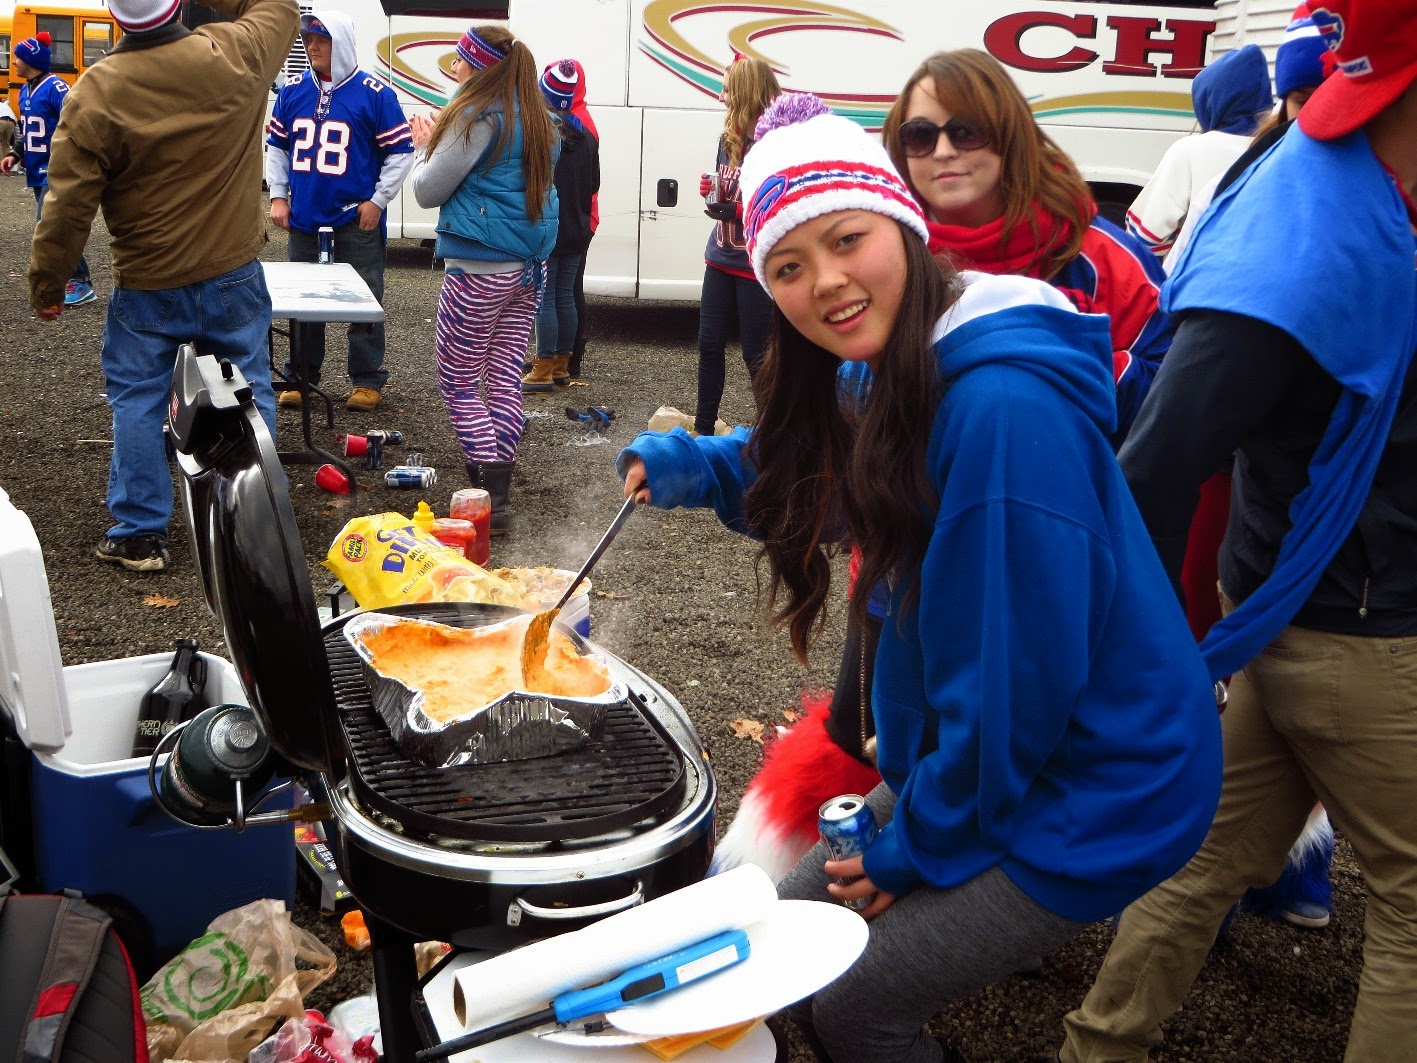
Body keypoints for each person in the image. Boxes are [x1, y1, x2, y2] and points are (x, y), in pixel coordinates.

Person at [620, 92, 1222, 1063]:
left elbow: (1013, 689)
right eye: (787, 266)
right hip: (989, 755)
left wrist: (918, 849)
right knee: (769, 927)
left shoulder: (999, 414)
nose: (826, 284)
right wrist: (700, 466)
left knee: (854, 1005)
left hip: (1099, 782)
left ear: (900, 221)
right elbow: (826, 474)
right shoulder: (889, 360)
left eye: (846, 239)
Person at [1060, 0, 1417, 1059]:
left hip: (1290, 612)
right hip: (1354, 626)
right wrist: (1145, 665)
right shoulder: (1305, 241)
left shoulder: (1348, 202)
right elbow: (1156, 460)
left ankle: (1095, 1047)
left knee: (1206, 860)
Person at [27, 0, 297, 573]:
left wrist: (49, 283)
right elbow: (277, 5)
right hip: (232, 271)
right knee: (247, 389)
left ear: (112, 13)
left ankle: (139, 532)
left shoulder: (97, 91)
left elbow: (68, 206)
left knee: (140, 400)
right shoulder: (234, 53)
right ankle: (257, 522)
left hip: (148, 280)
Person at [881, 49, 1172, 444]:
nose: (944, 150)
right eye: (920, 135)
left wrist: (1058, 365)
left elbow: (1172, 384)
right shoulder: (890, 255)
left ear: (1008, 135)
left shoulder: (1098, 254)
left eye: (966, 130)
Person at [408, 24, 558, 535]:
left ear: (475, 66)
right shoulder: (537, 118)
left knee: (457, 379)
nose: (454, 71)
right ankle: (502, 491)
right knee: (501, 378)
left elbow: (428, 191)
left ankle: (488, 493)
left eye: (458, 63)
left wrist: (423, 146)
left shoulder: (474, 118)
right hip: (526, 270)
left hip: (477, 269)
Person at [266, 9, 414, 413]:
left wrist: (378, 201)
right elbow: (277, 148)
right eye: (309, 40)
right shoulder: (293, 91)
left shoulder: (375, 94)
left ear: (342, 43)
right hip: (305, 219)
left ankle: (367, 379)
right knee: (302, 302)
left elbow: (401, 153)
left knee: (365, 298)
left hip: (354, 218)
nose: (312, 46)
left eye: (322, 39)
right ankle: (300, 376)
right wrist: (278, 196)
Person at [690, 54, 780, 438]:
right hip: (720, 258)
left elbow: (778, 202)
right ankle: (702, 431)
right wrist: (710, 191)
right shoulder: (727, 140)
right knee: (709, 346)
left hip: (753, 265)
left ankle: (776, 434)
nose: (720, 95)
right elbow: (725, 187)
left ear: (745, 92)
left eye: (727, 87)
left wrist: (738, 208)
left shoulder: (773, 142)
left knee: (756, 357)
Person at [1124, 43, 1273, 263]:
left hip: (1193, 287)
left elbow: (1145, 237)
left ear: (1211, 102)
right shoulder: (1280, 147)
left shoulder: (1190, 151)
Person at [522, 58, 599, 393]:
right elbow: (594, 184)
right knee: (565, 294)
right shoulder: (586, 135)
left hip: (552, 227)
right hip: (579, 227)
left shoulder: (543, 137)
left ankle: (542, 368)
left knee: (546, 297)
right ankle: (562, 365)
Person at [3, 32, 96, 306]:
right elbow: (27, 130)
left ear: (30, 59)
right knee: (51, 226)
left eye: (17, 56)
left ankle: (81, 281)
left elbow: (78, 120)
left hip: (57, 169)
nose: (14, 62)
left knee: (53, 226)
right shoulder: (24, 90)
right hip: (35, 170)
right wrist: (15, 154)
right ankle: (72, 279)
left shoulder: (57, 88)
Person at [559, 58, 599, 381]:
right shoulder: (586, 120)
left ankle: (563, 356)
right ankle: (568, 356)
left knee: (563, 291)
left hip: (572, 217)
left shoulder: (572, 123)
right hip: (584, 218)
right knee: (571, 289)